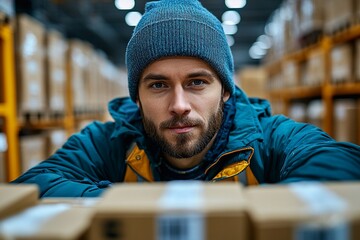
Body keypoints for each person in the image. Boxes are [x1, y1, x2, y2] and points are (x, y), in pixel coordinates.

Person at [13, 0, 360, 197]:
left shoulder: (270, 140)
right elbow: (32, 188)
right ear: (136, 96)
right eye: (158, 86)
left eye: (197, 82)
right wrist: (131, 208)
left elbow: (341, 168)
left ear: (225, 90)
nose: (179, 105)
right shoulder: (108, 143)